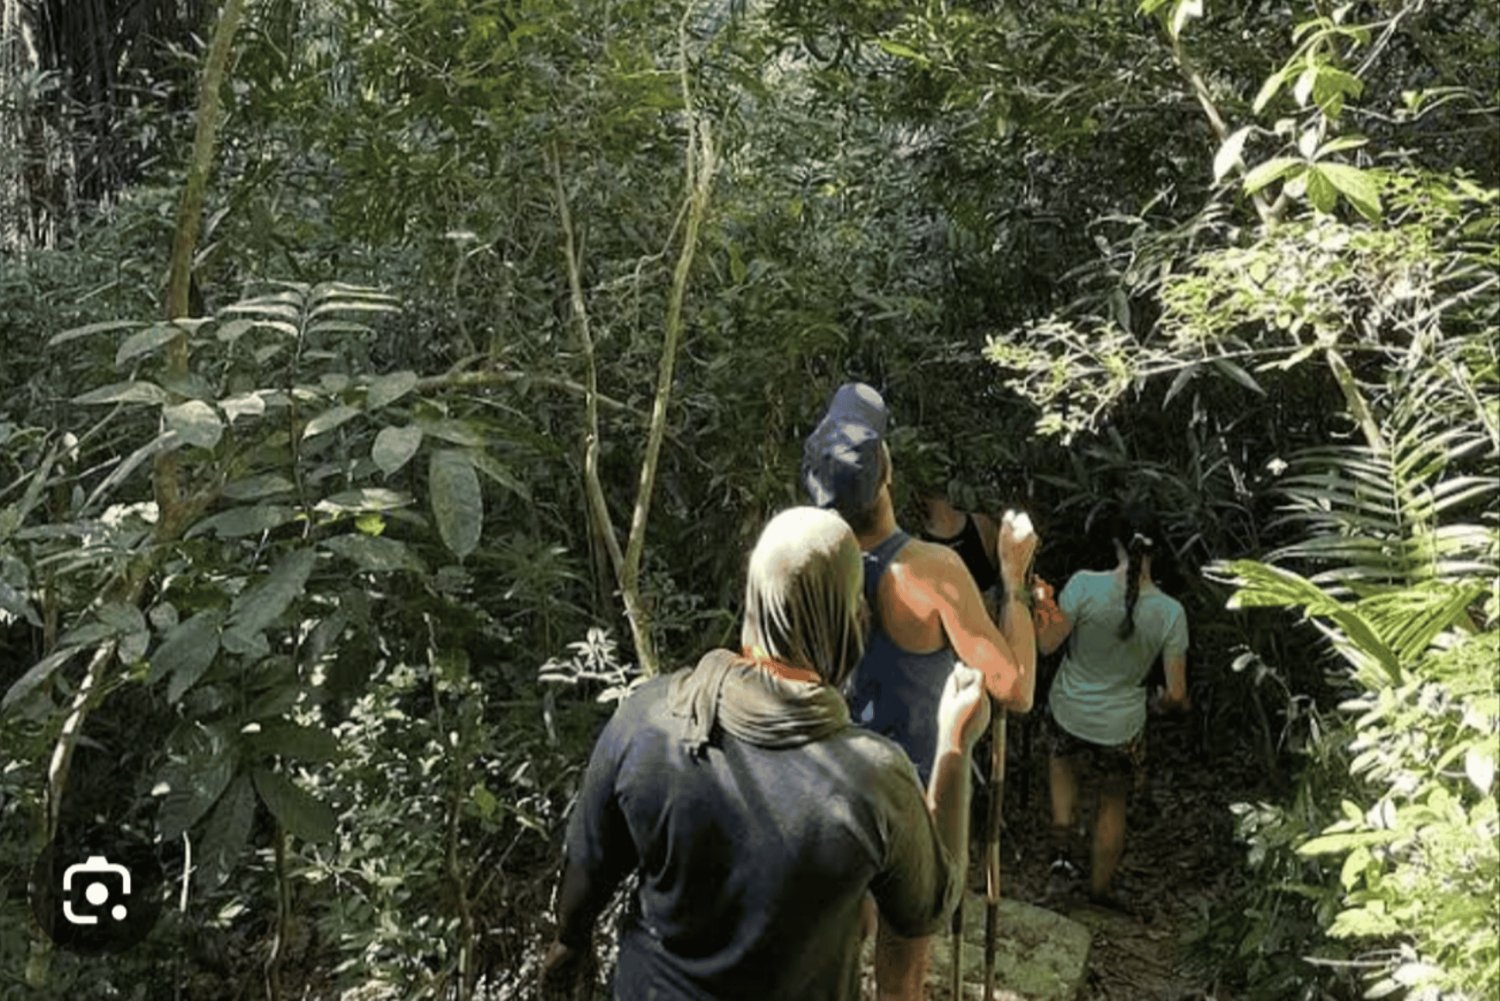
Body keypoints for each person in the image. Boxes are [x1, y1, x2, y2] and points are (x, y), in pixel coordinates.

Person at [540, 507, 992, 1001]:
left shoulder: (649, 719)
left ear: (754, 599)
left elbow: (585, 875)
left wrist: (568, 944)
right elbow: (927, 906)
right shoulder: (874, 778)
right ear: (849, 617)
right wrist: (953, 744)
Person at [801, 383, 1038, 1001]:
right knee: (902, 977)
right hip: (912, 800)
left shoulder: (805, 566)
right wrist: (1013, 575)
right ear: (886, 471)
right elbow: (1014, 687)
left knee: (835, 952)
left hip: (826, 786)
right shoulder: (928, 570)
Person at [1034, 499, 1190, 910]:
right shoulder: (1171, 613)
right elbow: (1176, 695)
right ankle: (1100, 890)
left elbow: (1046, 644)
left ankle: (1061, 865)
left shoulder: (1085, 584)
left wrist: (1042, 602)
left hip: (1067, 710)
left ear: (1116, 541)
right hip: (1122, 725)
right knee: (1113, 799)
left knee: (1063, 774)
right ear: (1157, 549)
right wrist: (1158, 705)